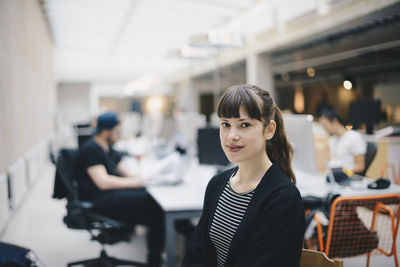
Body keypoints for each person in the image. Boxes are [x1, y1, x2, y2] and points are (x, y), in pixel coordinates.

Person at [182, 85, 305, 267]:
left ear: (269, 130)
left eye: (244, 125)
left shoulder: (283, 198)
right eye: (225, 124)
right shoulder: (217, 184)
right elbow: (197, 254)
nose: (232, 136)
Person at [76, 111, 193, 267]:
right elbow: (103, 182)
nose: (119, 135)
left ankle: (184, 239)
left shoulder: (106, 148)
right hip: (98, 200)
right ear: (106, 132)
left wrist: (146, 177)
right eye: (117, 132)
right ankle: (188, 236)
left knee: (155, 207)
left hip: (108, 195)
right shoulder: (91, 149)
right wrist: (136, 183)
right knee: (154, 207)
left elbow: (124, 171)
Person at [318, 108, 367, 174]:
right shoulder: (332, 139)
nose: (325, 129)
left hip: (347, 176)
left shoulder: (354, 137)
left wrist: (342, 173)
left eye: (325, 125)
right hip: (333, 175)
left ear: (335, 121)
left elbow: (360, 166)